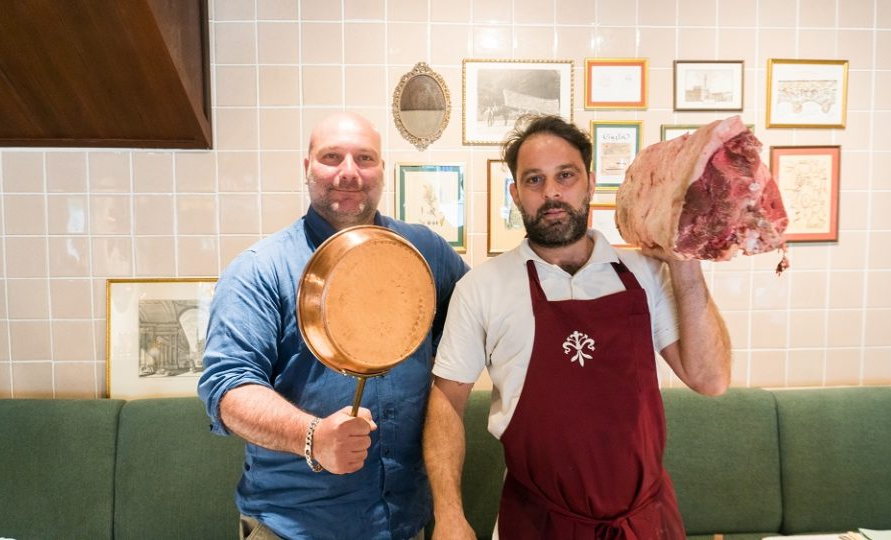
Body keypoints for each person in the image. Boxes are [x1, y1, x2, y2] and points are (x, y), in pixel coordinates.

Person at [423, 115, 731, 539]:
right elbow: (446, 402)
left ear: (590, 180)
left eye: (565, 176)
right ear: (515, 194)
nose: (551, 192)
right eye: (534, 180)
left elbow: (710, 379)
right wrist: (449, 514)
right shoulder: (482, 287)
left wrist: (684, 260)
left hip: (644, 524)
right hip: (538, 523)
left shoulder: (642, 272)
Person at [198, 112, 469, 540]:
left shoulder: (425, 252)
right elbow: (226, 390)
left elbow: (477, 323)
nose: (348, 172)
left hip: (405, 526)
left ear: (382, 170)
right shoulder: (259, 270)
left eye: (365, 158)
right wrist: (312, 436)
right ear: (306, 167)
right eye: (331, 157)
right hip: (294, 528)